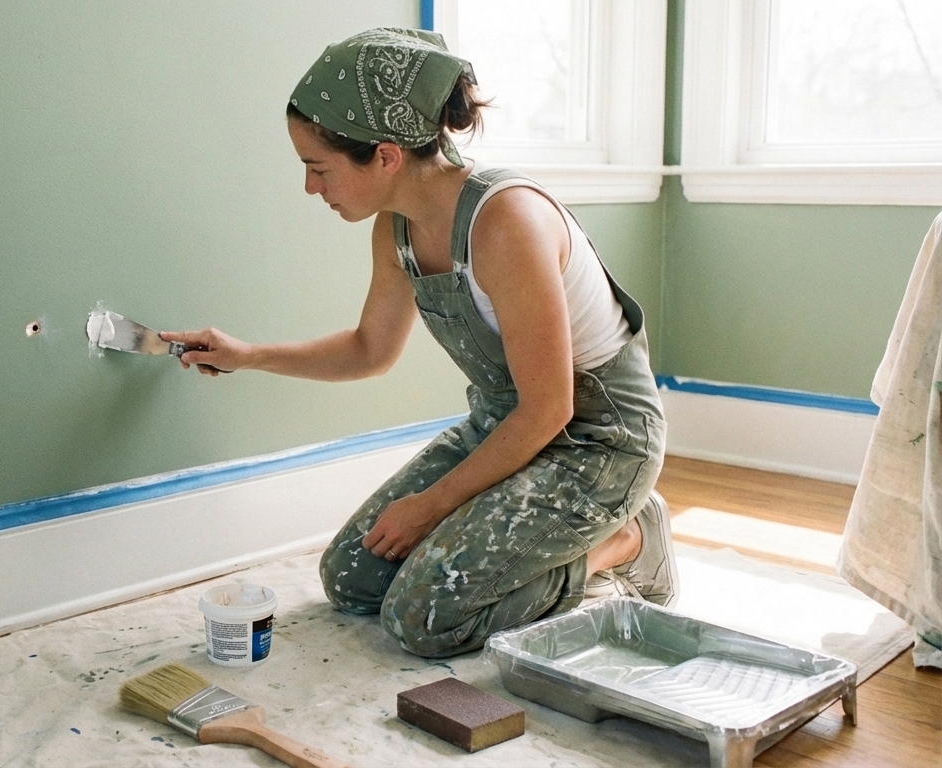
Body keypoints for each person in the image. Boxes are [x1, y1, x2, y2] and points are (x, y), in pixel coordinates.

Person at [162, 28, 674, 658]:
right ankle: (545, 536)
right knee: (350, 579)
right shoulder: (395, 229)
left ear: (384, 156)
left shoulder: (505, 222)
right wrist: (250, 355)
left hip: (597, 444)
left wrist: (431, 507)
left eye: (318, 169)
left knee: (424, 619)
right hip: (505, 427)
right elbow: (369, 349)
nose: (310, 189)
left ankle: (630, 540)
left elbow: (550, 408)